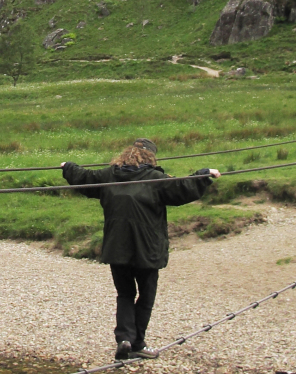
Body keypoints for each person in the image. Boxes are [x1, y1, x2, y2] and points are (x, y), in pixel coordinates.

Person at [61, 139, 219, 361]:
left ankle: (124, 339)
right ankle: (137, 344)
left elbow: (84, 178)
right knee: (146, 295)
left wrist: (68, 166)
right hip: (147, 249)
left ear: (126, 154)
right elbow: (183, 188)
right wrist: (205, 174)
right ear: (151, 158)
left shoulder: (109, 176)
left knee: (125, 294)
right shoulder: (155, 179)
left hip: (117, 248)